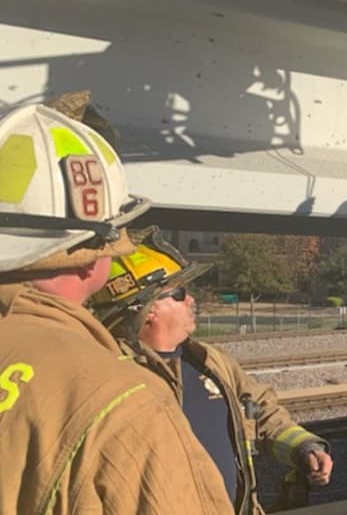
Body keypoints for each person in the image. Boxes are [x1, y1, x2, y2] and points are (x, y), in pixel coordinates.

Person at [0, 102, 234, 515]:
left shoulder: (206, 364)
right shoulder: (126, 402)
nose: (190, 300)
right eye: (176, 293)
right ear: (95, 256)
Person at [92, 228, 334, 515]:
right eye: (180, 293)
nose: (192, 300)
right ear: (147, 309)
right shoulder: (115, 376)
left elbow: (263, 412)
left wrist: (303, 448)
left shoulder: (211, 361)